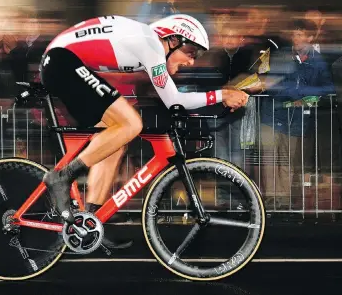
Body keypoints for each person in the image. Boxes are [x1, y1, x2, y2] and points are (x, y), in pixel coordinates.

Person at [39, 14, 248, 232]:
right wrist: (222, 95)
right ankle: (61, 177)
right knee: (131, 124)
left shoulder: (145, 42)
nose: (191, 62)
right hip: (61, 61)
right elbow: (174, 100)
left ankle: (90, 224)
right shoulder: (150, 44)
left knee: (115, 142)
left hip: (63, 62)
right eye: (190, 53)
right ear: (173, 41)